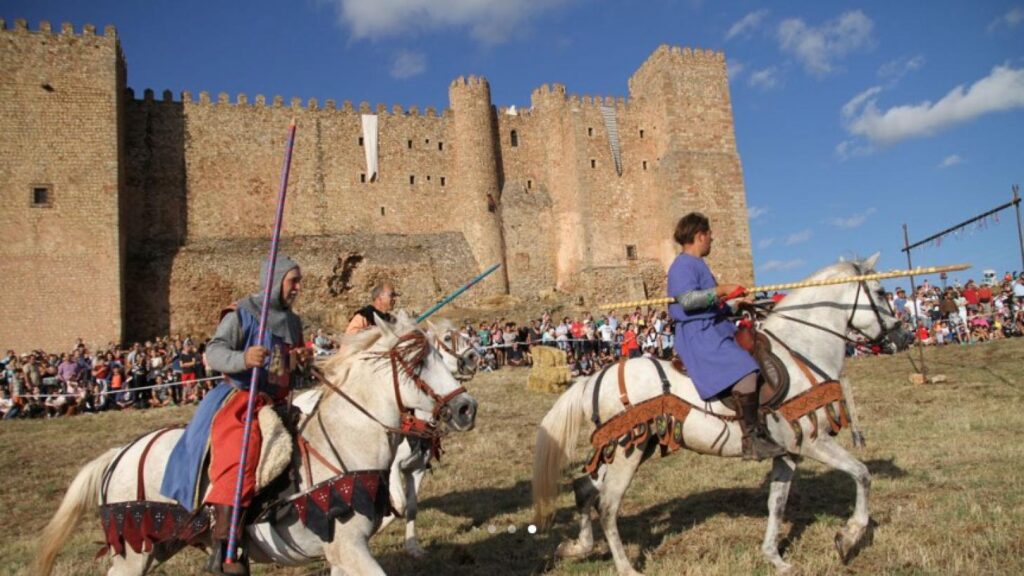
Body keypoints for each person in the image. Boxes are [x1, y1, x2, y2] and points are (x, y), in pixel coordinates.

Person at [161, 255, 307, 575]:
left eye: (298, 281)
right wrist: (244, 357)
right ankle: (227, 546)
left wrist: (298, 363)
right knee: (243, 450)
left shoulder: (292, 322)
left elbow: (281, 370)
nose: (298, 287)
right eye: (292, 280)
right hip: (241, 399)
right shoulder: (242, 313)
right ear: (274, 281)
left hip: (277, 402)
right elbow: (213, 353)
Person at [667, 212, 785, 461]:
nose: (712, 239)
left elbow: (709, 304)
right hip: (699, 334)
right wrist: (721, 290)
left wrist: (734, 305)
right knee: (746, 369)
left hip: (714, 327)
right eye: (709, 235)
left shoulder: (697, 264)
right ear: (700, 235)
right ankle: (751, 438)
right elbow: (688, 301)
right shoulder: (682, 265)